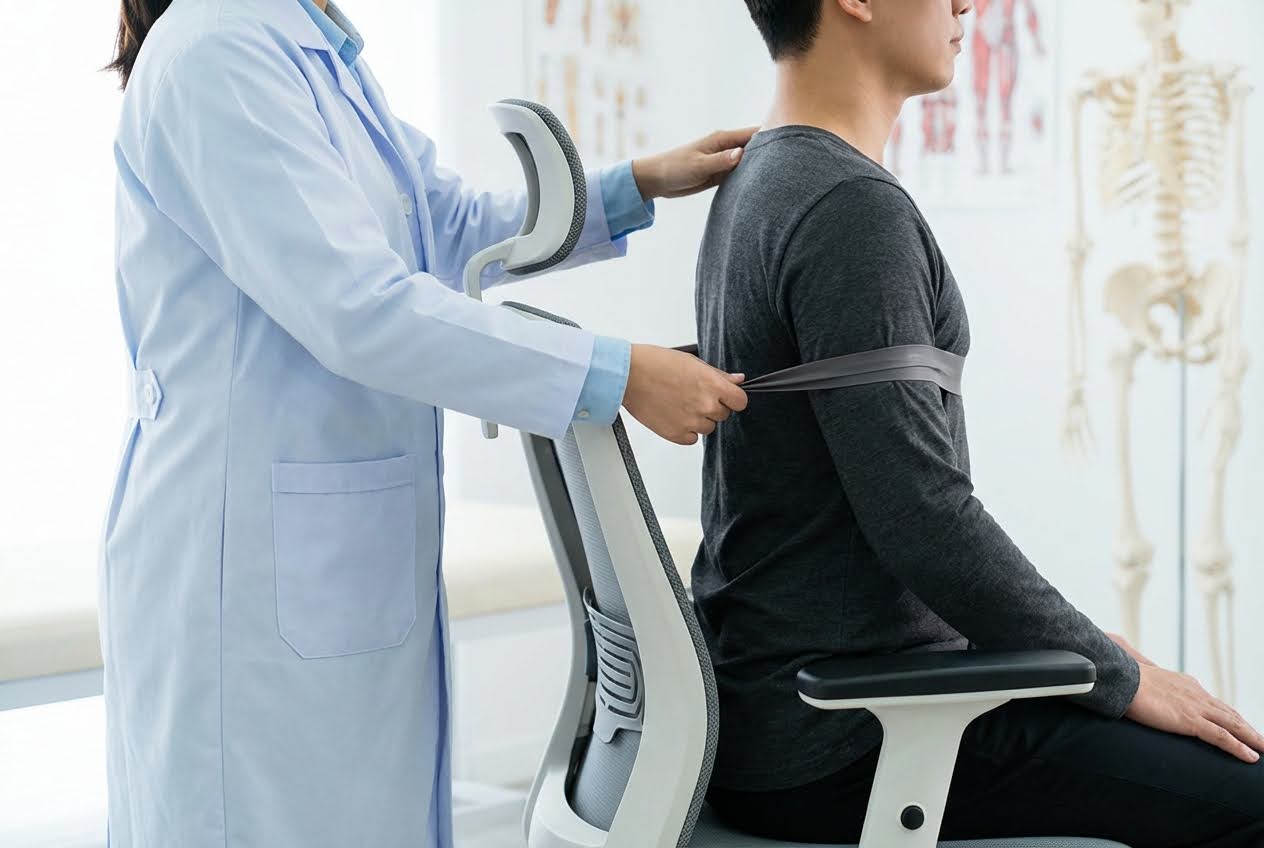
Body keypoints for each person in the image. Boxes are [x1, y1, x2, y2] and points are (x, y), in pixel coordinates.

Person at [102, 0, 751, 845]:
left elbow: (443, 226)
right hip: (241, 573)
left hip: (329, 557)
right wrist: (616, 374)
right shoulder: (216, 51)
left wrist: (638, 183)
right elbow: (357, 308)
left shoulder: (315, 52)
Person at [692, 1, 1264, 844]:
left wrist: (1073, 651)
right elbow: (921, 516)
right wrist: (1115, 676)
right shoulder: (848, 206)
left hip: (792, 711)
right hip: (850, 737)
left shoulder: (763, 180)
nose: (970, 4)